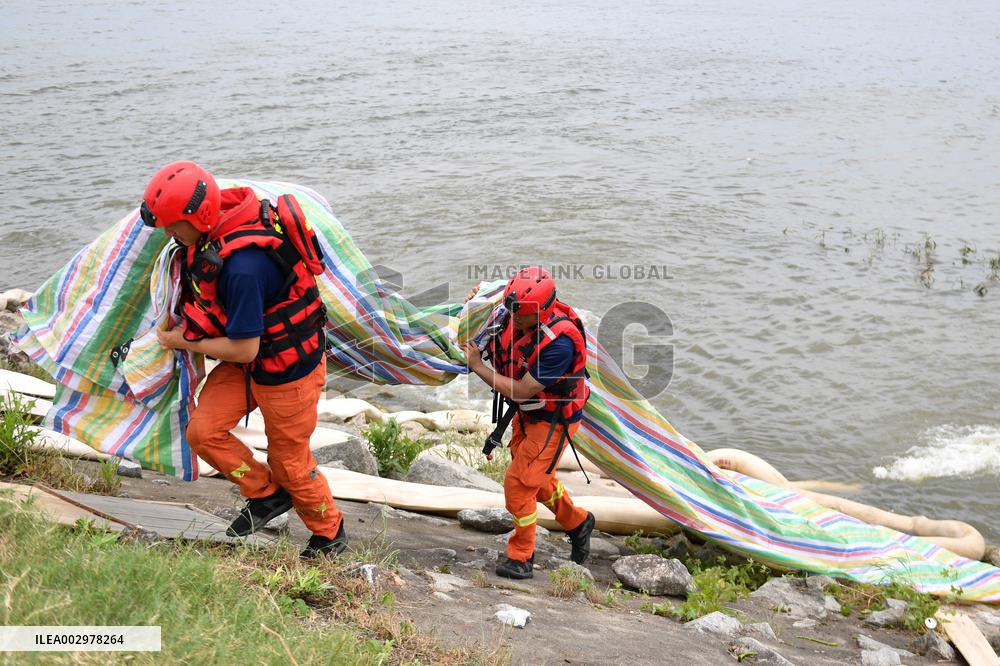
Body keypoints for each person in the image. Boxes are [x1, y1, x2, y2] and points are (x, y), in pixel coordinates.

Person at [141, 160, 346, 559]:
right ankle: (266, 494)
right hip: (249, 363)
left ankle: (330, 533)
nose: (167, 234)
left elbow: (244, 348)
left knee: (290, 464)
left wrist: (182, 340)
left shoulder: (243, 269)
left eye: (172, 225)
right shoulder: (215, 227)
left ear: (198, 216)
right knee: (203, 431)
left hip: (288, 371)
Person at [462, 267, 595, 579]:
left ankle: (521, 556)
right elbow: (489, 306)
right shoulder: (510, 311)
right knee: (536, 478)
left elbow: (522, 390)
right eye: (511, 310)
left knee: (519, 484)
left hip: (553, 418)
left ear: (541, 311)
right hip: (528, 413)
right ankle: (578, 522)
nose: (513, 318)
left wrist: (478, 367)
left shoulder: (560, 344)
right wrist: (475, 302)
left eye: (520, 314)